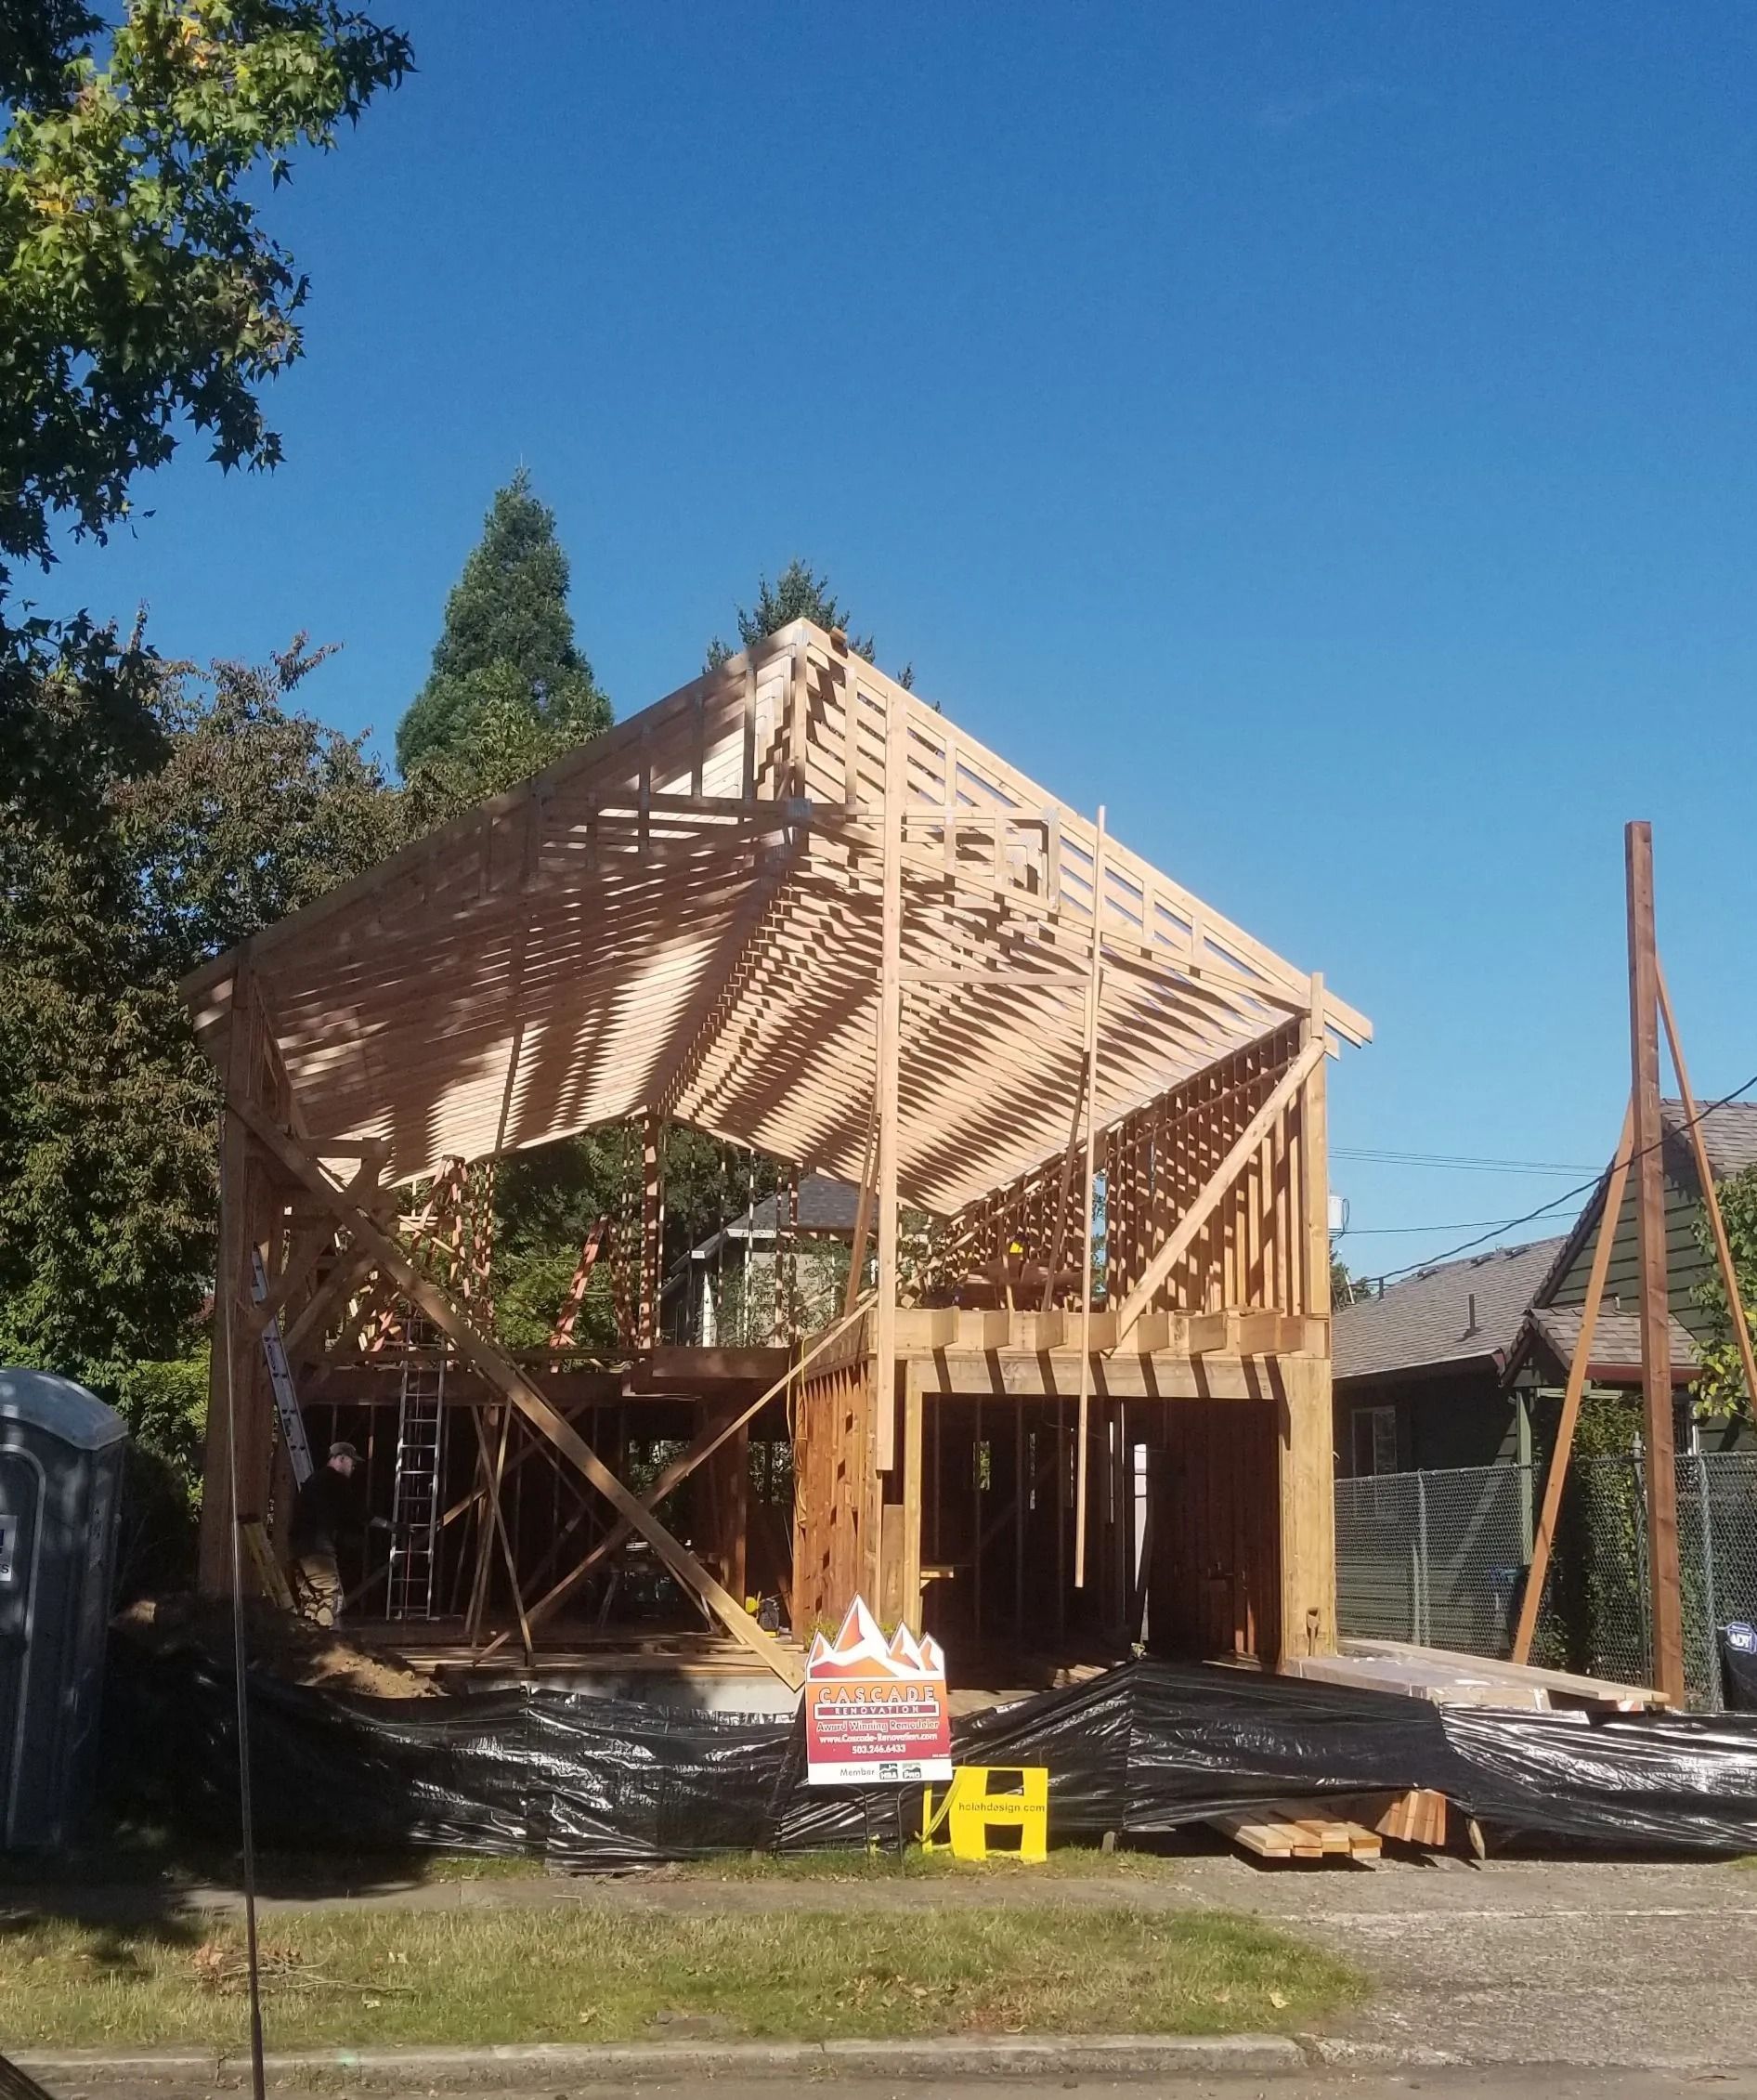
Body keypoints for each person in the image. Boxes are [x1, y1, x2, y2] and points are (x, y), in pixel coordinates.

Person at [288, 1440, 363, 1628]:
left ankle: (308, 1646)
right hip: (318, 1548)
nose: (353, 1468)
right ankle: (329, 1646)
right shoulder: (335, 1480)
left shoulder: (313, 1481)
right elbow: (357, 1512)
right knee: (331, 1598)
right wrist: (390, 1526)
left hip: (299, 1549)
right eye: (352, 1463)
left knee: (310, 1600)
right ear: (341, 1459)